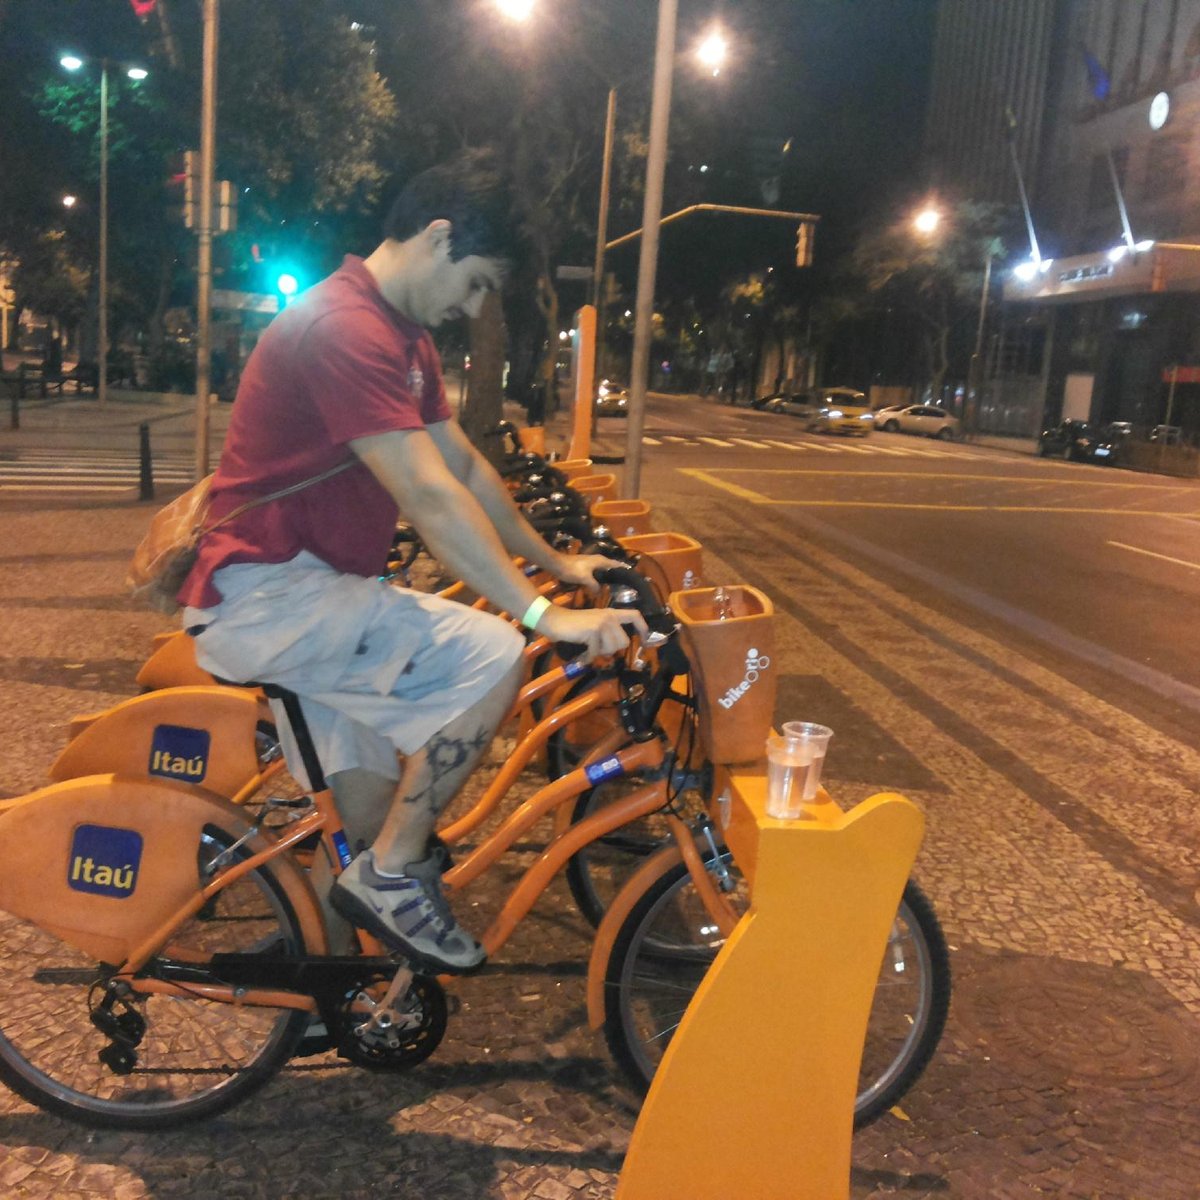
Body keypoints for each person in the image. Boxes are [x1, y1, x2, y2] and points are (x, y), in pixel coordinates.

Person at [177, 151, 644, 974]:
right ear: (439, 236)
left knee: (364, 814)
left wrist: (556, 562)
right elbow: (429, 497)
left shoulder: (401, 338)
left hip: (311, 597)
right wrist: (541, 617)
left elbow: (463, 469)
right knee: (494, 654)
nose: (469, 308)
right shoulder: (345, 330)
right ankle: (395, 878)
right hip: (271, 599)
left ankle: (321, 980)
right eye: (472, 284)